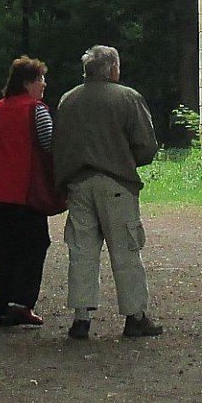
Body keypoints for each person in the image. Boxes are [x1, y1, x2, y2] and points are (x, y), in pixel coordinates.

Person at [49, 44, 162, 339]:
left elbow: (57, 145)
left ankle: (81, 317)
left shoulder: (67, 100)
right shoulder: (127, 97)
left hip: (78, 183)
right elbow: (146, 146)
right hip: (116, 182)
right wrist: (126, 159)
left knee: (82, 250)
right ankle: (134, 315)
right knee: (125, 249)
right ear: (113, 69)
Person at [0, 56, 63, 327]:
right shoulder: (36, 109)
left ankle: (2, 306)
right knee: (34, 244)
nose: (44, 84)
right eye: (40, 79)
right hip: (25, 191)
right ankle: (22, 303)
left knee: (0, 249)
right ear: (27, 83)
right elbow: (49, 144)